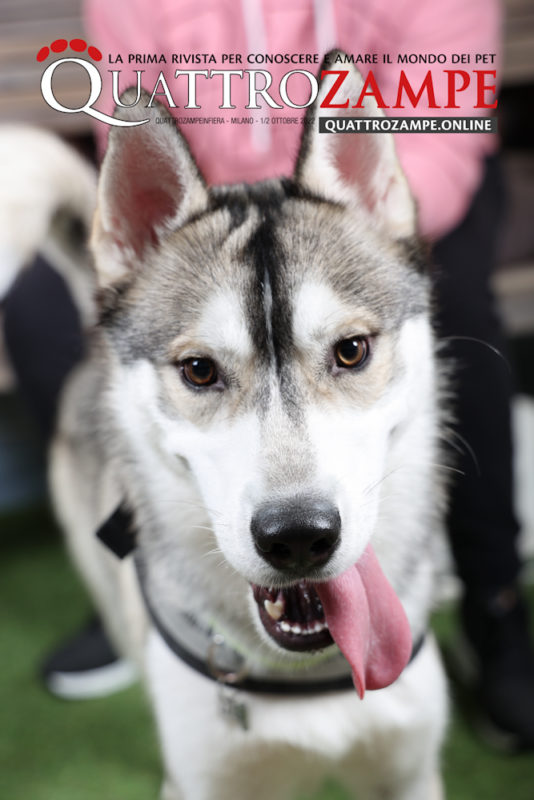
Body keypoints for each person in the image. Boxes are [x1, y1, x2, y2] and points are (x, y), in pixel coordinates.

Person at [3, 0, 533, 748]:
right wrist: (213, 239)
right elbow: (135, 121)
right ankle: (142, 577)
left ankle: (495, 601)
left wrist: (331, 215)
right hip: (210, 226)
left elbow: (440, 126)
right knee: (55, 321)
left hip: (361, 205)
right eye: (200, 370)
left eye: (348, 353)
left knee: (462, 308)